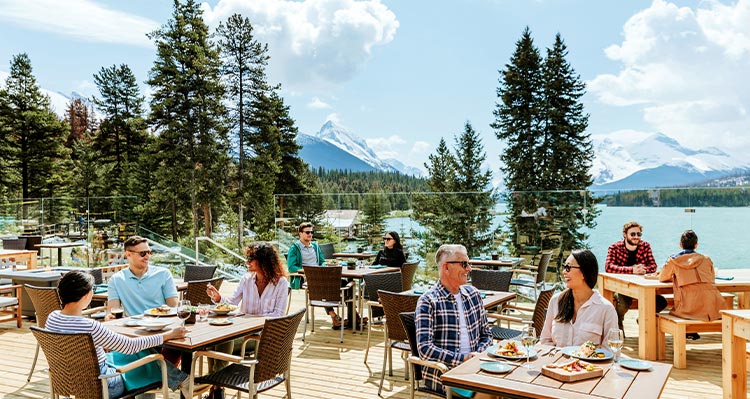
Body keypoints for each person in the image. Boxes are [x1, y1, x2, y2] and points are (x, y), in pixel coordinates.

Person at [45, 270, 189, 397]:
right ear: (86, 295)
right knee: (150, 357)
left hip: (66, 380)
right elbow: (130, 346)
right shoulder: (90, 326)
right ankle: (183, 381)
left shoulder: (52, 317)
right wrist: (169, 335)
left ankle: (182, 380)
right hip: (104, 385)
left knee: (142, 352)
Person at [205, 241, 290, 390]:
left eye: (251, 259)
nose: (247, 262)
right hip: (243, 333)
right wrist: (218, 298)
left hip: (262, 337)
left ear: (264, 261)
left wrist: (249, 319)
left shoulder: (281, 283)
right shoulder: (246, 279)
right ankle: (216, 387)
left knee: (223, 340)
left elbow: (278, 316)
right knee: (213, 341)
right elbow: (232, 303)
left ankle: (212, 385)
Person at [415, 244, 492, 397]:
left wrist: (477, 355)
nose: (469, 269)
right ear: (446, 267)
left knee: (509, 389)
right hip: (445, 374)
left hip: (477, 367)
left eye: (469, 263)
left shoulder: (473, 294)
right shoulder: (428, 301)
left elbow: (487, 335)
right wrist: (463, 359)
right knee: (489, 393)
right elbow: (424, 349)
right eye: (464, 264)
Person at [646, 230, 727, 340]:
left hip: (688, 309)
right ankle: (691, 331)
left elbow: (663, 277)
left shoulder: (674, 261)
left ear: (680, 245)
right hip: (713, 307)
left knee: (669, 312)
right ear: (696, 245)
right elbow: (711, 277)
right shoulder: (706, 259)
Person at [540, 249, 618, 347]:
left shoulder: (606, 309)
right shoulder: (556, 301)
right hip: (556, 362)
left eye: (568, 267)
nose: (564, 271)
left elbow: (611, 350)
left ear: (584, 273)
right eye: (564, 267)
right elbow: (545, 341)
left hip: (589, 362)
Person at [605, 221, 666, 330]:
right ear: (625, 234)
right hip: (622, 288)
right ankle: (618, 323)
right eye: (632, 234)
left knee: (662, 301)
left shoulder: (645, 246)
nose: (636, 237)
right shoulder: (614, 248)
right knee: (624, 302)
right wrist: (631, 270)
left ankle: (642, 319)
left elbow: (653, 266)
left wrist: (643, 270)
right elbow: (608, 267)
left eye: (639, 234)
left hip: (642, 287)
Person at [106, 235, 179, 319]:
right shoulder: (116, 280)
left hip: (160, 323)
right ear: (128, 254)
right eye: (143, 253)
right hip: (132, 327)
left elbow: (174, 307)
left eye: (149, 252)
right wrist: (109, 318)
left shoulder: (163, 274)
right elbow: (112, 310)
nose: (147, 256)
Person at [286, 222, 342, 328]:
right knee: (323, 286)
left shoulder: (315, 246)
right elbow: (291, 267)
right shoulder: (294, 248)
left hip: (320, 275)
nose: (310, 234)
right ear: (300, 233)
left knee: (343, 282)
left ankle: (354, 316)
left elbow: (322, 261)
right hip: (304, 277)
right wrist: (308, 271)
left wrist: (323, 268)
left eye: (312, 232)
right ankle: (333, 316)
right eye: (307, 232)